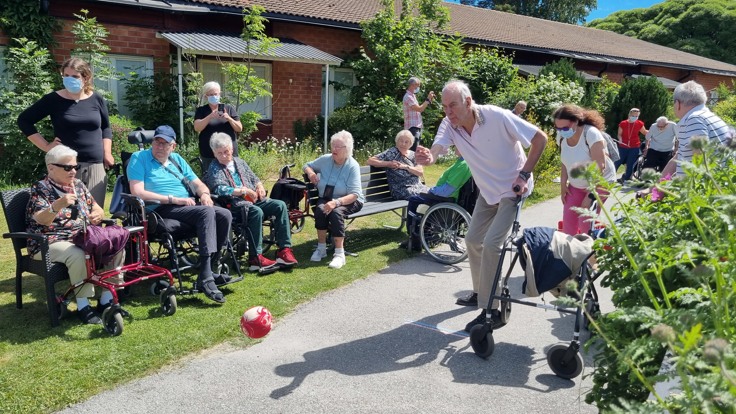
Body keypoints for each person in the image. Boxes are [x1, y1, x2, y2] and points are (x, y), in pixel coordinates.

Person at [416, 79, 548, 328]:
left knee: (491, 244)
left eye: (452, 105)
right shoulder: (450, 124)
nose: (448, 112)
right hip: (488, 193)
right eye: (444, 106)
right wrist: (429, 157)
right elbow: (437, 150)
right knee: (472, 240)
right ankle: (481, 291)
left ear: (468, 101)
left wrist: (524, 174)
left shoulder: (497, 117)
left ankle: (492, 310)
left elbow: (540, 139)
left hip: (512, 190)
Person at [126, 125, 232, 304]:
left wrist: (205, 194)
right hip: (159, 210)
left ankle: (211, 267)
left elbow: (198, 184)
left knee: (223, 214)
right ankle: (205, 278)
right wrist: (173, 199)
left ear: (173, 146)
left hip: (186, 207)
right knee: (206, 213)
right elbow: (137, 192)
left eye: (165, 144)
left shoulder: (176, 159)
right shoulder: (139, 158)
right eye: (157, 142)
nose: (159, 147)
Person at [26, 145, 125, 325]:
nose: (73, 171)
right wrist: (57, 205)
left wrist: (98, 212)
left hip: (81, 234)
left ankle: (106, 299)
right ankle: (83, 306)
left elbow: (94, 205)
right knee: (78, 253)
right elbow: (41, 219)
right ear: (51, 168)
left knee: (116, 243)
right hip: (49, 240)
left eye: (75, 167)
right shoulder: (40, 188)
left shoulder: (77, 185)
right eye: (68, 167)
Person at [18, 57, 113, 206]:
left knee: (95, 215)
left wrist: (107, 153)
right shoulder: (53, 99)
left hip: (95, 165)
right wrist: (46, 147)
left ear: (86, 77)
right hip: (65, 166)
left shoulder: (97, 98)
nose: (69, 79)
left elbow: (106, 127)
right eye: (66, 76)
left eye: (74, 76)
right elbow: (24, 121)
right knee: (68, 215)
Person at [204, 132, 298, 272]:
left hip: (253, 201)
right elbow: (219, 188)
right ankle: (255, 258)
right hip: (234, 206)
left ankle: (284, 250)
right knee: (256, 211)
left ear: (232, 149)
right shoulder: (214, 168)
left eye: (226, 151)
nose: (224, 156)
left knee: (280, 205)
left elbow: (254, 178)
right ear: (214, 153)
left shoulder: (239, 162)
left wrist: (259, 186)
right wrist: (244, 191)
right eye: (220, 153)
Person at [303, 131, 365, 269]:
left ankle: (339, 254)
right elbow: (306, 164)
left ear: (347, 149)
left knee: (336, 212)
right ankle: (321, 248)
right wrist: (311, 172)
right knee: (320, 210)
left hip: (349, 200)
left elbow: (355, 194)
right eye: (333, 146)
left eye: (339, 147)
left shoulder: (352, 165)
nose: (334, 149)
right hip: (326, 197)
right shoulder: (326, 159)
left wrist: (336, 202)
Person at [552, 104, 616, 236]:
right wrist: (563, 185)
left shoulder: (591, 134)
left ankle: (590, 254)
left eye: (565, 127)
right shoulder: (562, 137)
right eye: (557, 128)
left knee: (585, 222)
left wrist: (591, 195)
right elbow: (565, 162)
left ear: (576, 122)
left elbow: (600, 166)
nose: (561, 131)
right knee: (568, 222)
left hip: (599, 183)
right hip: (577, 184)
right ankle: (571, 254)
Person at [401, 150, 472, 250]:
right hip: (446, 196)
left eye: (457, 144)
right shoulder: (464, 162)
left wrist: (432, 191)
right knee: (419, 199)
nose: (455, 147)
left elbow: (448, 189)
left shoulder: (463, 165)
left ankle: (414, 239)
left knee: (413, 200)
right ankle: (424, 234)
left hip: (444, 198)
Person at [662, 81, 730, 178]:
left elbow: (701, 157)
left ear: (678, 104)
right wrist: (656, 188)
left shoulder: (694, 120)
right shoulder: (707, 117)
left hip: (703, 190)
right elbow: (678, 157)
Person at [193, 81, 243, 171]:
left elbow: (239, 128)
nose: (214, 96)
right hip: (209, 153)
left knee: (232, 176)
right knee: (210, 178)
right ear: (206, 96)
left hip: (228, 152)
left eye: (215, 94)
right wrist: (209, 117)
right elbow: (197, 128)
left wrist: (229, 118)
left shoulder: (229, 109)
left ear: (220, 94)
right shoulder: (201, 110)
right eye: (210, 94)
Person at [367, 129, 429, 200]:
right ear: (396, 141)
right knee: (428, 197)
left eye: (406, 142)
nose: (403, 144)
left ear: (411, 144)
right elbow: (370, 161)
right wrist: (388, 164)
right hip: (401, 190)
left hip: (418, 187)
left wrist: (405, 167)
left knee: (433, 194)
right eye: (401, 141)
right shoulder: (391, 153)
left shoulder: (413, 155)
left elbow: (420, 172)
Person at [402, 76, 436, 152]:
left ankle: (413, 163)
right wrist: (427, 100)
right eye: (418, 85)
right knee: (413, 150)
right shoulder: (408, 97)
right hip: (412, 127)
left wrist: (429, 100)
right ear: (412, 85)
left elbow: (420, 108)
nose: (418, 88)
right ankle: (411, 163)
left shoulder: (412, 96)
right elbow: (419, 109)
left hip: (416, 126)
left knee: (414, 149)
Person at [614, 108, 648, 182]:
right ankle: (611, 176)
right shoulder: (623, 123)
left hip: (634, 146)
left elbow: (645, 132)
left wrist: (656, 131)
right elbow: (619, 134)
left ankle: (627, 178)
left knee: (630, 163)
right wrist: (620, 140)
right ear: (629, 115)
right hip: (623, 146)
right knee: (617, 161)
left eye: (636, 116)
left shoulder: (639, 123)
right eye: (633, 115)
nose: (634, 117)